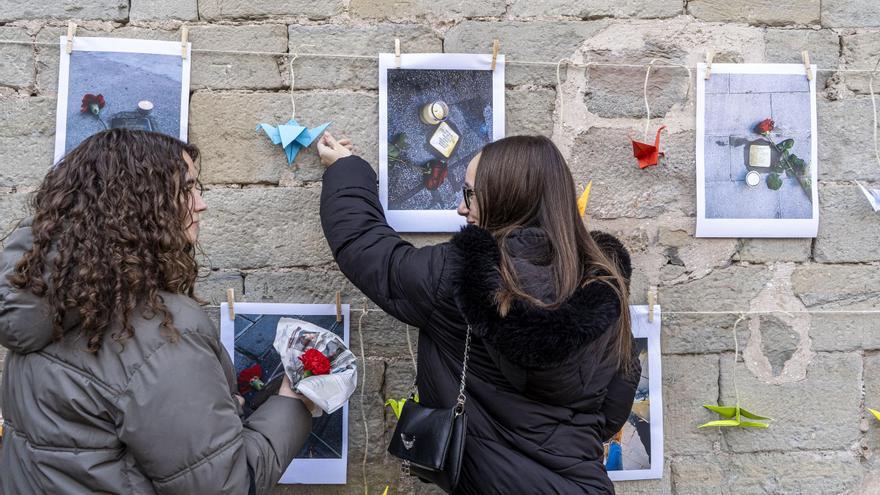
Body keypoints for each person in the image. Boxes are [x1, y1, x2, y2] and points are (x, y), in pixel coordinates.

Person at [317, 132, 641, 494]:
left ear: (507, 197)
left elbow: (368, 249)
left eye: (470, 194)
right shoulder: (602, 284)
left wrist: (347, 170)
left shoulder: (459, 274)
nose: (461, 208)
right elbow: (613, 408)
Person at [0, 129, 312, 494]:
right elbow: (223, 486)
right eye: (187, 190)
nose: (201, 204)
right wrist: (294, 403)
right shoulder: (162, 338)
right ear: (140, 205)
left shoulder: (44, 305)